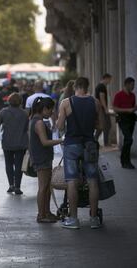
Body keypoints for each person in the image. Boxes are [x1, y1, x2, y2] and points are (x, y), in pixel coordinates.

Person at [57, 77, 103, 229]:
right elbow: (101, 125)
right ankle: (94, 219)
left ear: (75, 86)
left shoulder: (66, 103)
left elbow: (60, 126)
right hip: (89, 145)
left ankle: (73, 219)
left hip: (71, 145)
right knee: (92, 181)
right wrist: (93, 138)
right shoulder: (95, 102)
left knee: (72, 181)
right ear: (88, 86)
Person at [29, 97, 62, 223]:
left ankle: (47, 212)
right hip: (41, 158)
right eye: (50, 109)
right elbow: (45, 142)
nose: (52, 112)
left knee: (47, 187)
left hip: (42, 157)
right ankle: (41, 215)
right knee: (43, 187)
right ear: (44, 109)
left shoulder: (36, 120)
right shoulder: (39, 123)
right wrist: (61, 140)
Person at [0, 93, 29, 195]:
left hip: (7, 142)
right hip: (21, 143)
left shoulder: (4, 112)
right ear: (20, 102)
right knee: (19, 165)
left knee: (8, 164)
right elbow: (27, 128)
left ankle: (11, 185)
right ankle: (18, 187)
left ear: (8, 101)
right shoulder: (25, 113)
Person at [113, 77, 137, 169]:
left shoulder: (133, 95)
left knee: (128, 140)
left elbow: (132, 107)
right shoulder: (119, 95)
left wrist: (134, 108)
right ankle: (125, 160)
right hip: (122, 119)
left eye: (134, 85)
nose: (133, 87)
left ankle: (126, 161)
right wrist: (127, 110)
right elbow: (115, 108)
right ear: (126, 84)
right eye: (132, 85)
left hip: (131, 119)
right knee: (129, 139)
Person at [94, 73, 113, 146]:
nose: (110, 82)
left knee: (103, 125)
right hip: (101, 109)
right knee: (107, 125)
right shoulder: (102, 86)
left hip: (100, 109)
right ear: (106, 78)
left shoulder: (99, 86)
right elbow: (102, 98)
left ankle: (97, 140)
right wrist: (106, 109)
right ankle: (105, 142)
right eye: (109, 80)